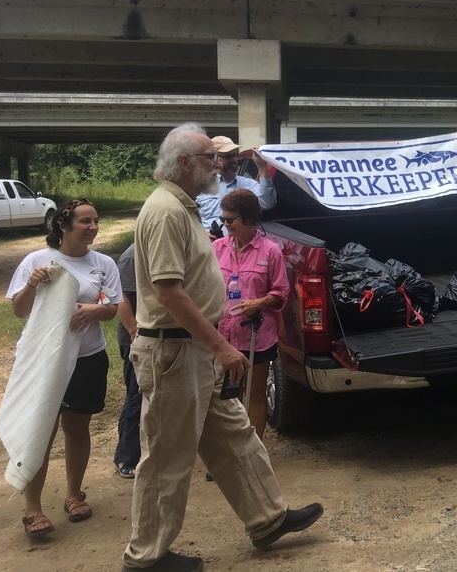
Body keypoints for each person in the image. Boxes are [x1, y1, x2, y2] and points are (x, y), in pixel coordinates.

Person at [122, 123, 322, 572]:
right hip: (176, 352)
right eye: (211, 157)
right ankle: (145, 557)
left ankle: (267, 519)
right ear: (184, 162)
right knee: (167, 457)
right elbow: (169, 293)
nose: (220, 164)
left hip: (192, 350)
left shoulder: (183, 207)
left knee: (235, 438)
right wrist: (222, 348)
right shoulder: (166, 212)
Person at [6, 199, 121, 537]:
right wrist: (32, 284)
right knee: (41, 430)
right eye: (85, 221)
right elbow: (18, 311)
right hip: (45, 360)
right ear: (64, 226)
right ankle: (32, 509)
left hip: (87, 357)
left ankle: (74, 495)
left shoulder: (103, 263)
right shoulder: (37, 261)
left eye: (96, 221)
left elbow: (112, 306)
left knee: (77, 426)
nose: (93, 227)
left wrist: (95, 311)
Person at [214, 188, 288, 440]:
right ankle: (227, 452)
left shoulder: (270, 251)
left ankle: (252, 452)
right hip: (224, 336)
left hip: (257, 334)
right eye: (223, 219)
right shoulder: (216, 248)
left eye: (230, 219)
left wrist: (258, 303)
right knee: (227, 395)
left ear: (248, 219)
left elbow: (281, 292)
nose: (225, 224)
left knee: (254, 394)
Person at [195, 134, 276, 236]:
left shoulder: (248, 184)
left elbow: (267, 203)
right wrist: (202, 234)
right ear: (214, 158)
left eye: (234, 155)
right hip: (210, 246)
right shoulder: (200, 187)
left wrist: (263, 168)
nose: (233, 160)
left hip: (241, 247)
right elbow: (188, 220)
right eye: (228, 156)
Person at [113, 242, 141, 479]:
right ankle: (126, 456)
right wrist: (134, 332)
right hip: (135, 338)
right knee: (137, 394)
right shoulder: (132, 256)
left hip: (152, 336)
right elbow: (120, 297)